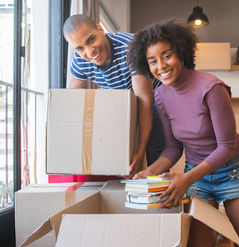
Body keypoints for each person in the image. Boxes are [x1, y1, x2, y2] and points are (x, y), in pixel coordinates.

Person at [127, 20, 239, 247]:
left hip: (234, 172)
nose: (161, 66)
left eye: (166, 56)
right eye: (152, 61)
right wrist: (150, 171)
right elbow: (173, 147)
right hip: (197, 176)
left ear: (181, 52)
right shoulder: (161, 95)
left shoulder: (212, 88)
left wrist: (186, 179)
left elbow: (226, 146)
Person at [51, 14, 165, 182]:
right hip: (124, 103)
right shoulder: (80, 60)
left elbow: (145, 102)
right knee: (123, 160)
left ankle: (160, 196)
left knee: (153, 152)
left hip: (154, 100)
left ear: (100, 29)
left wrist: (139, 153)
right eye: (80, 48)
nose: (89, 52)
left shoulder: (131, 47)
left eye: (91, 40)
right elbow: (71, 104)